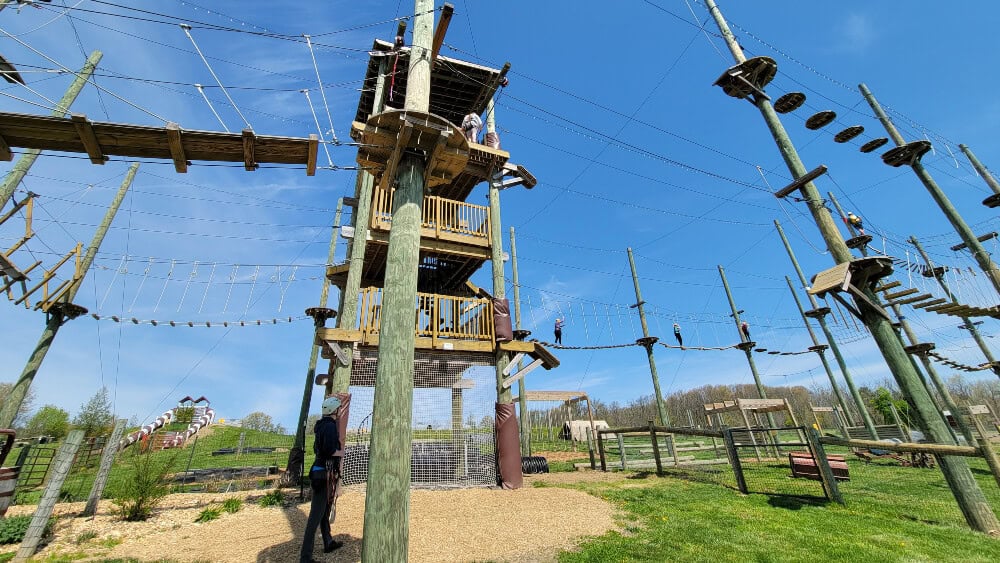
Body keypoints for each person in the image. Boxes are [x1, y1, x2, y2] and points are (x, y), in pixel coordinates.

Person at [300, 396, 344, 563]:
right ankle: (305, 558)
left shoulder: (320, 426)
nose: (339, 411)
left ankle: (328, 541)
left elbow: (317, 448)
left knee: (324, 510)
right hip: (323, 473)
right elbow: (329, 449)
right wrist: (338, 452)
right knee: (315, 517)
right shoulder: (331, 426)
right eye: (338, 409)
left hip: (318, 470)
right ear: (334, 411)